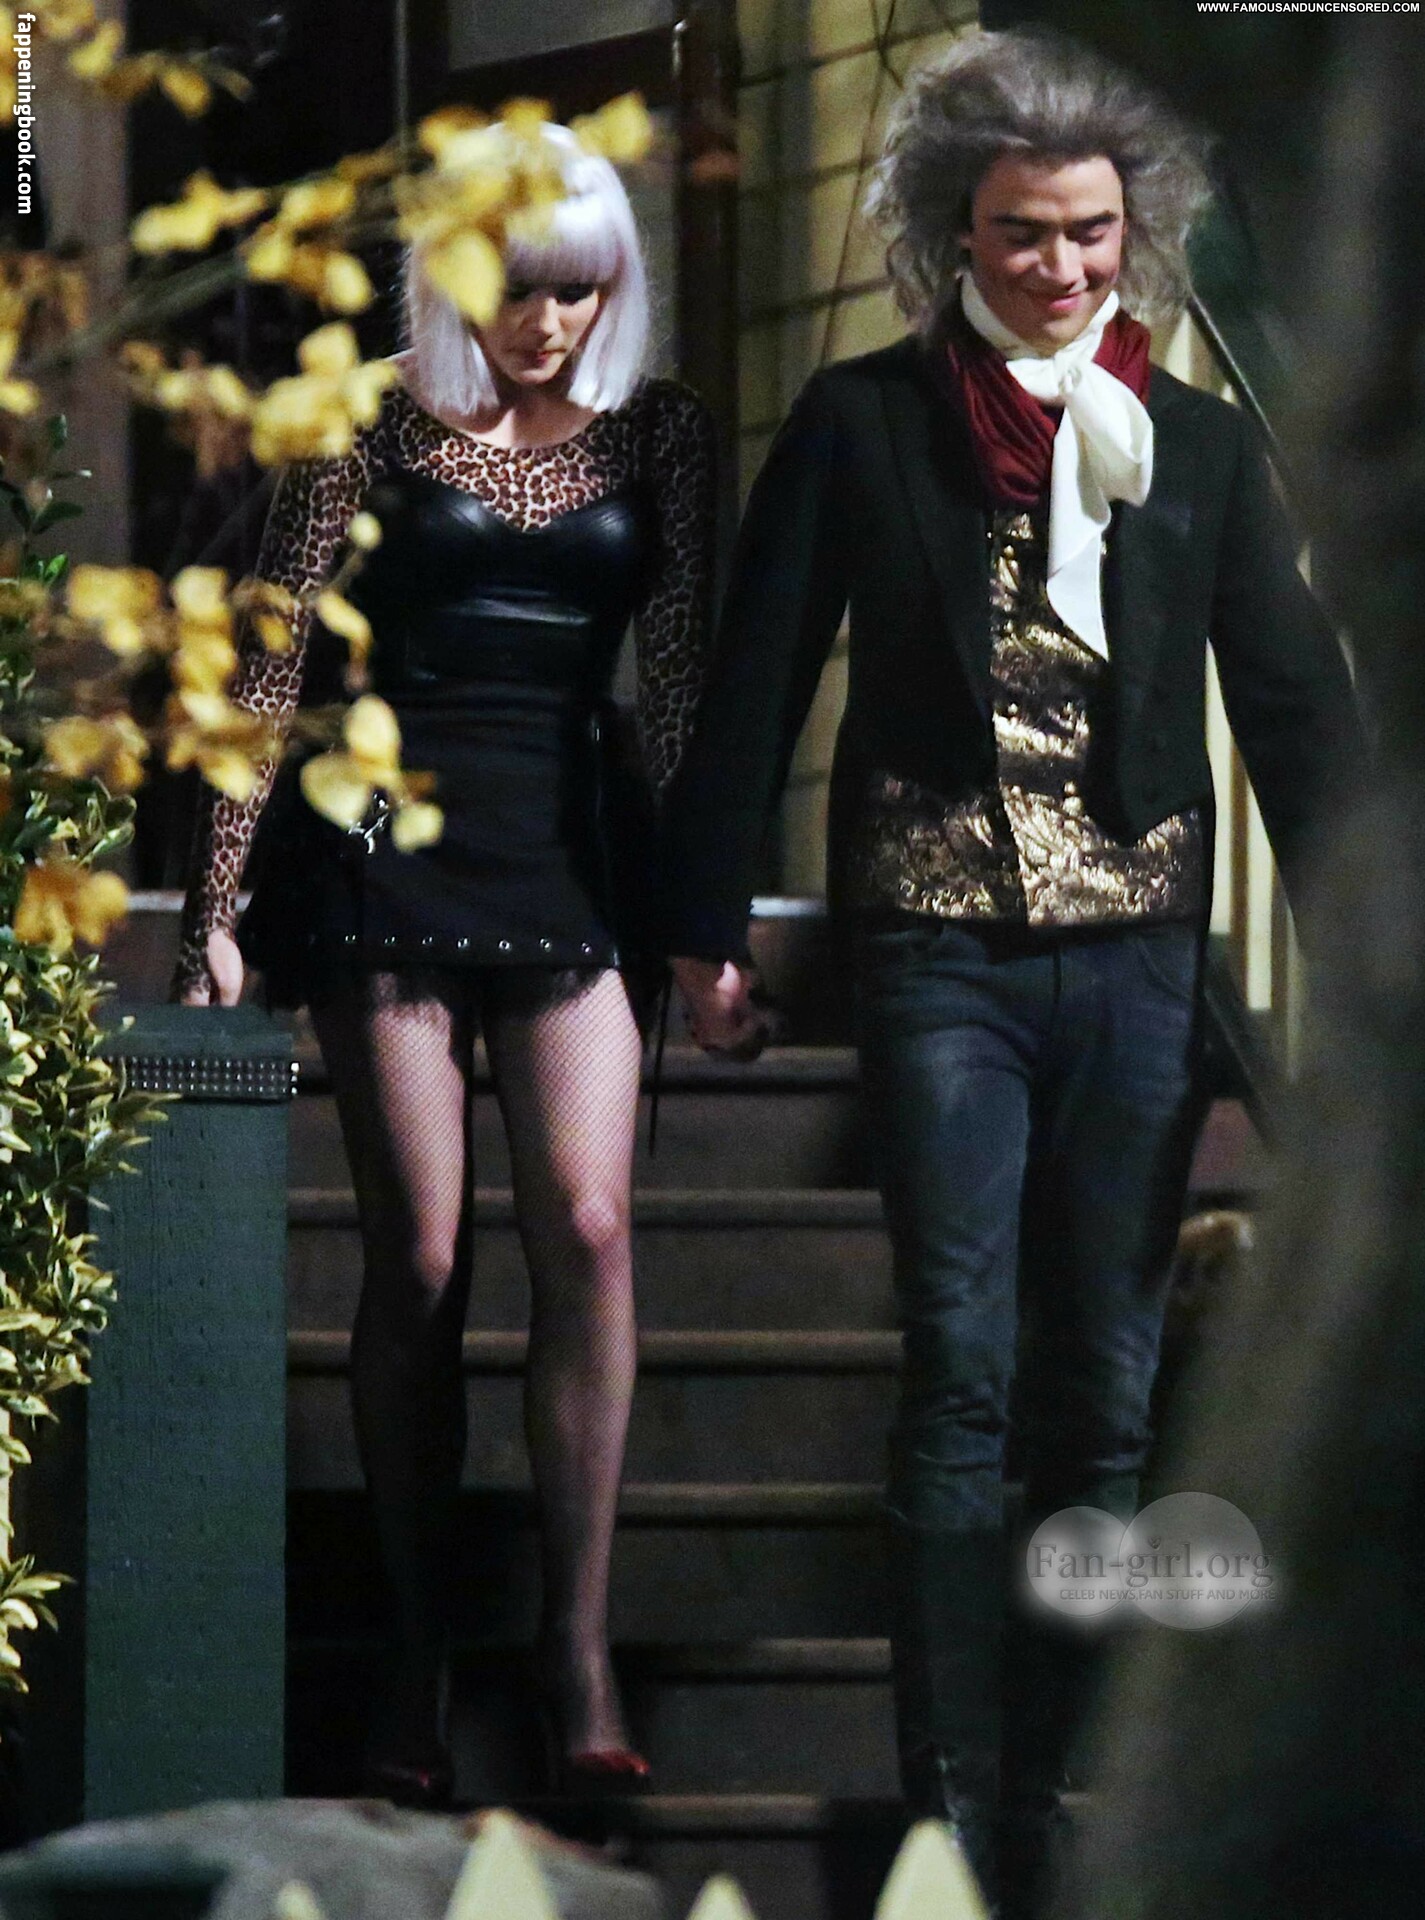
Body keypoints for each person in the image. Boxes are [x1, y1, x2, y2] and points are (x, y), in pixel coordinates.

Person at [661, 28, 1363, 1914]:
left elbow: (1296, 718)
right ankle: (951, 1801)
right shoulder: (861, 421)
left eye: (1089, 232)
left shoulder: (1195, 447)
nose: (1059, 266)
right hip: (938, 953)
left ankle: (1069, 1796)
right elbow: (754, 675)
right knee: (962, 1362)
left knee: (1107, 1397)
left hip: (1137, 964)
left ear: (1136, 231)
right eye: (1020, 233)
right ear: (951, 235)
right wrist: (704, 933)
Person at [174, 122, 716, 1807]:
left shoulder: (662, 434)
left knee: (593, 1226)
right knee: (415, 1253)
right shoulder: (357, 419)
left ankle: (575, 1646)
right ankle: (413, 1655)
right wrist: (212, 906)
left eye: (577, 289)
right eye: (512, 285)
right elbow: (270, 666)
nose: (543, 321)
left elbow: (679, 687)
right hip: (383, 837)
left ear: (612, 287)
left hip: (567, 841)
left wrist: (702, 922)